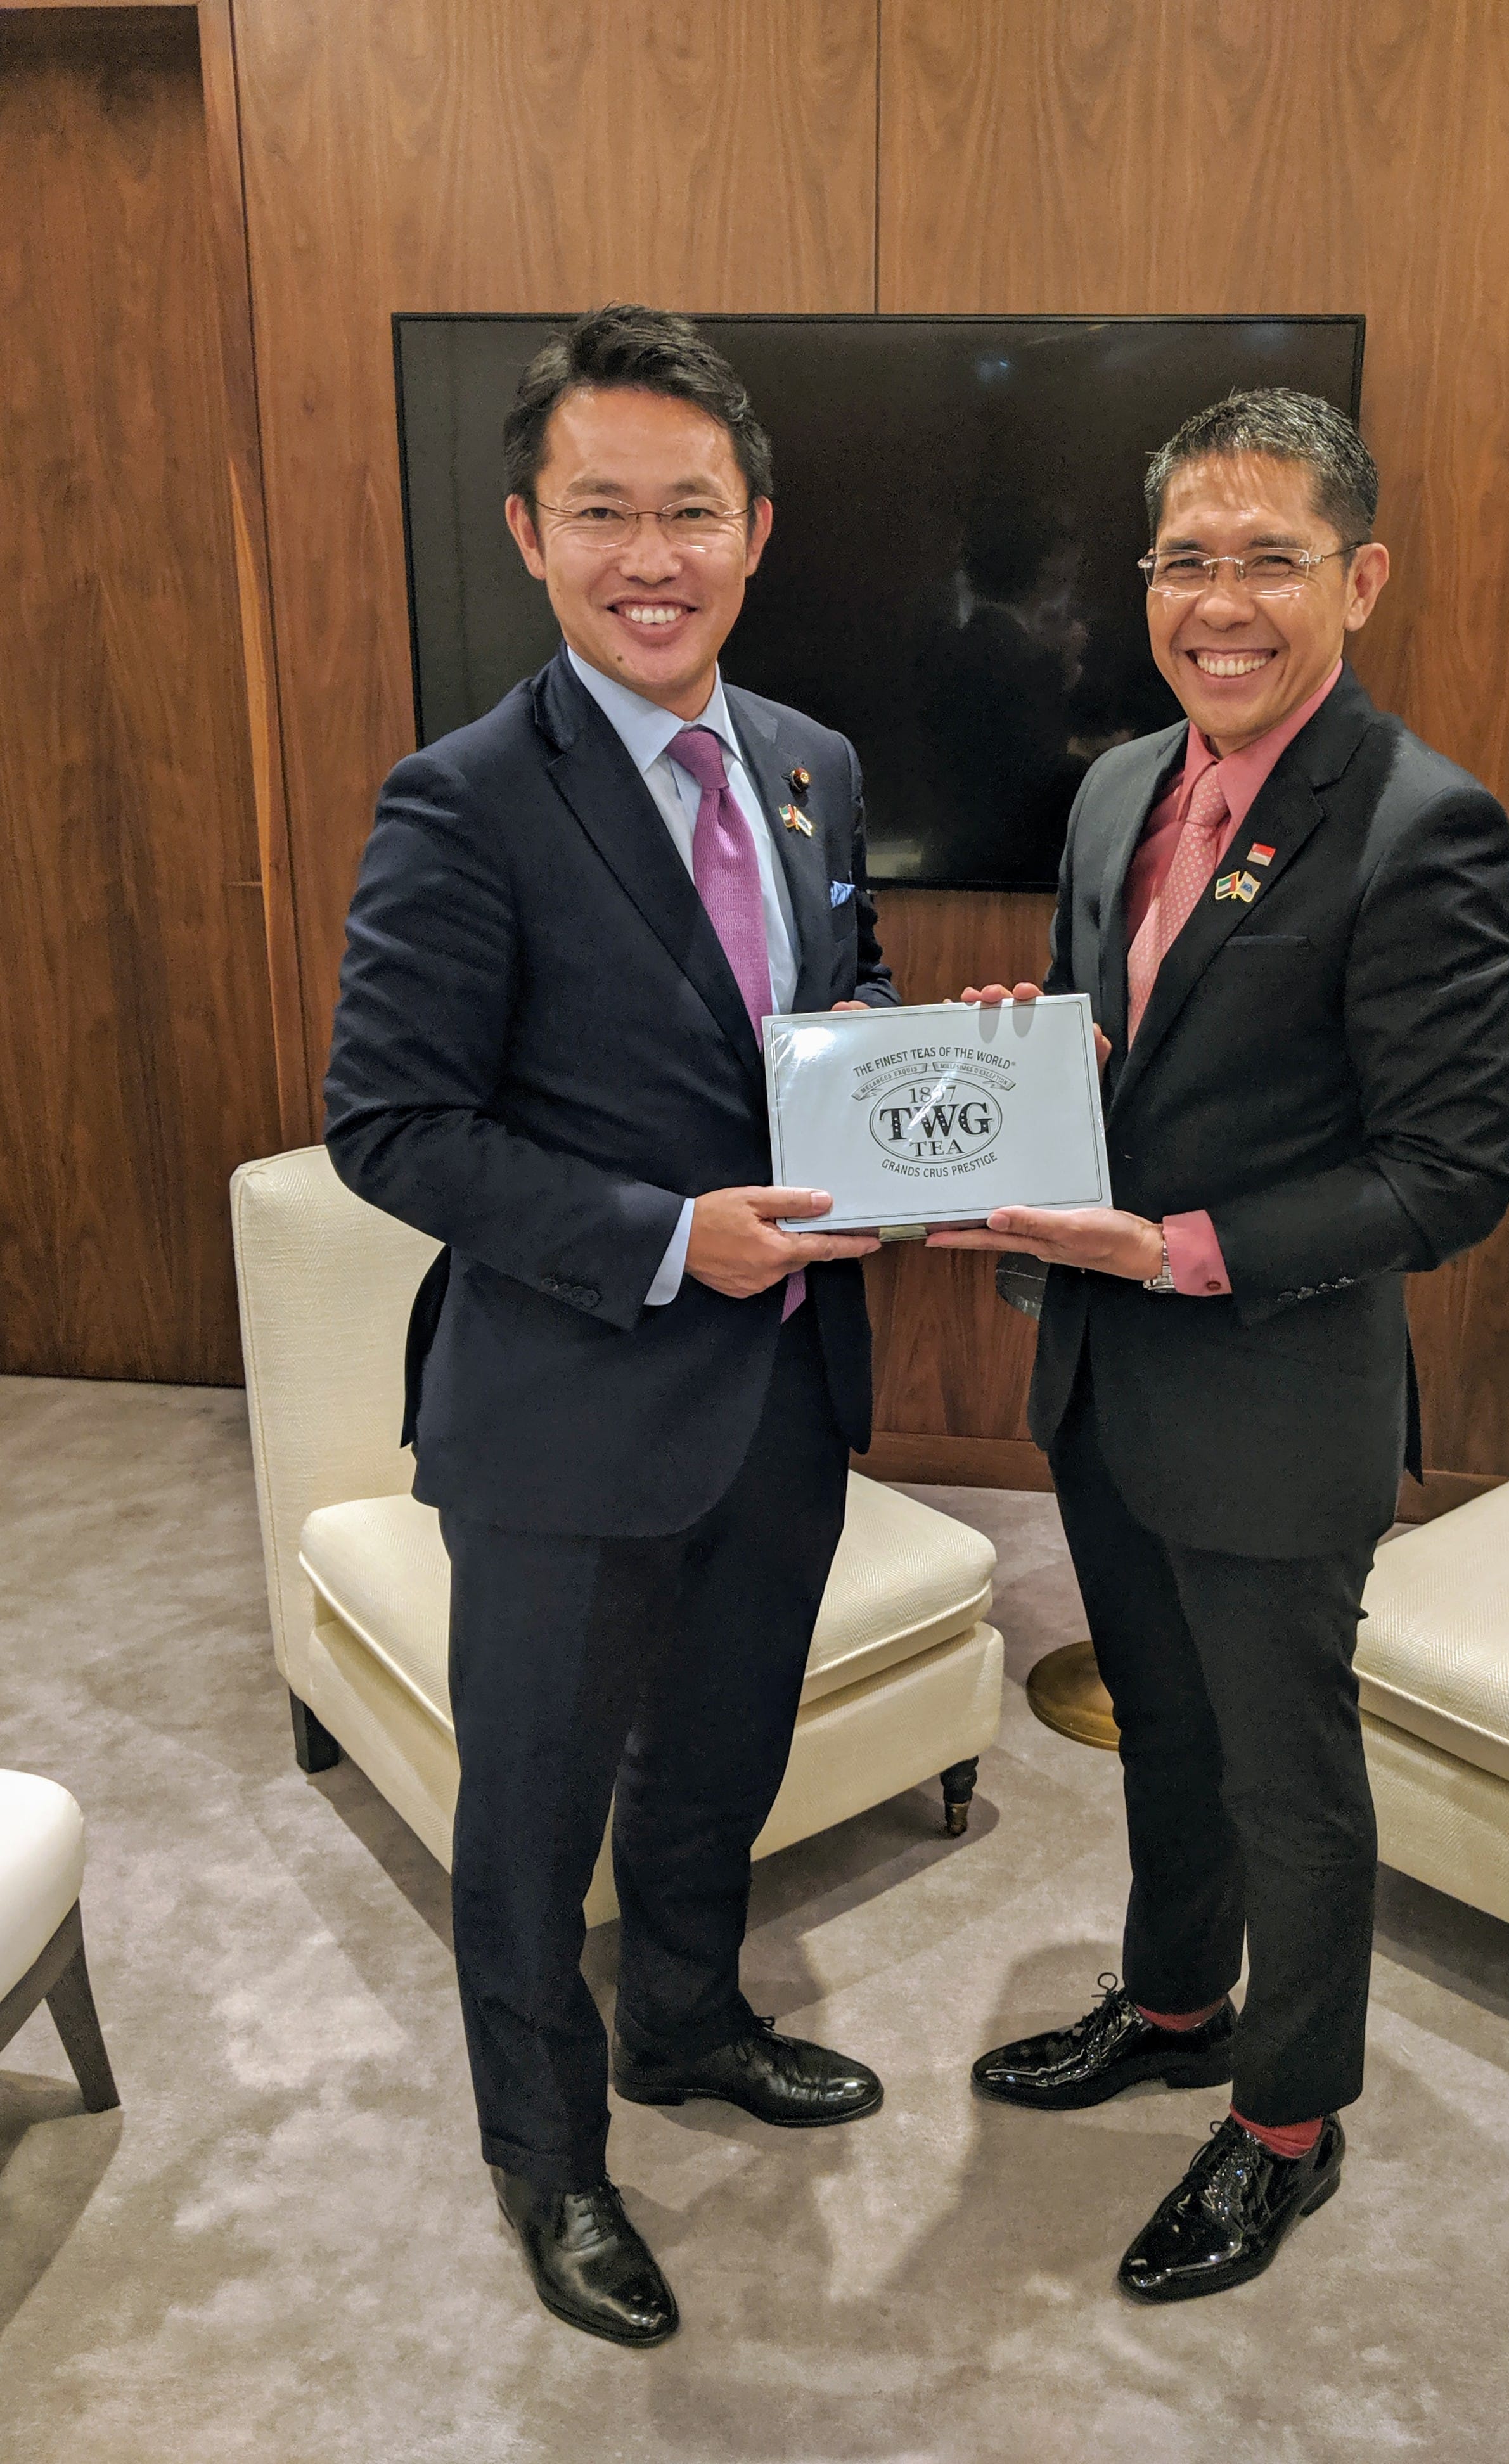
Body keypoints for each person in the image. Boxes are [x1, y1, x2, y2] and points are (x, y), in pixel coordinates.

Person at [323, 305, 897, 2346]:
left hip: (785, 1390)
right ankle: (548, 2161)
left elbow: (824, 1015)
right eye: (601, 513)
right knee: (531, 1813)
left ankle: (686, 2021)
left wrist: (930, 1075)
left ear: (755, 529)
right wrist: (667, 1240)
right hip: (569, 1407)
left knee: (721, 1753)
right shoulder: (464, 797)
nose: (649, 558)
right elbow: (389, 1124)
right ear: (529, 532)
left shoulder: (813, 764)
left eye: (689, 512)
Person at [931, 388, 1509, 2303]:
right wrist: (1037, 1062)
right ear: (1144, 583)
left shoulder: (1422, 823)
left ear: (1359, 577)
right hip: (1102, 1375)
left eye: (1270, 557)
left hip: (1272, 1394)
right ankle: (1178, 2004)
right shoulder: (1117, 786)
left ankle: (1288, 2123)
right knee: (1164, 1727)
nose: (1221, 601)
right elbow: (1124, 1031)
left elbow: (1448, 1173)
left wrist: (1175, 1247)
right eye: (1186, 558)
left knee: (1288, 1775)